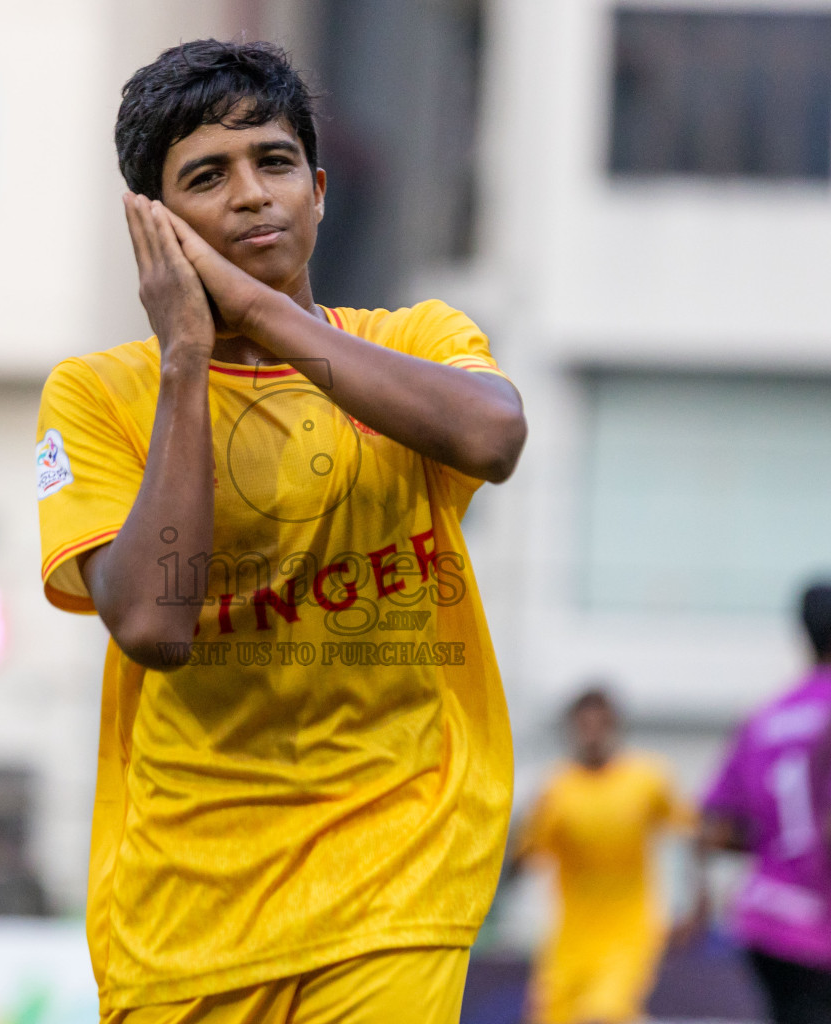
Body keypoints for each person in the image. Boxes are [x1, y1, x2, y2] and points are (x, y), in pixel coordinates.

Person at [35, 39, 526, 1024]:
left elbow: (495, 433)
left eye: (274, 162)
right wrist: (187, 356)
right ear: (154, 226)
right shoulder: (98, 396)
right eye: (208, 176)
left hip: (400, 865)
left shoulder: (416, 342)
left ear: (319, 189)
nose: (253, 194)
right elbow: (153, 626)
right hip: (184, 916)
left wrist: (260, 310)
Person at [693, 582, 831, 1024]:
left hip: (762, 917)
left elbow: (715, 833)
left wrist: (773, 843)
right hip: (821, 925)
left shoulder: (761, 721)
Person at [507, 688, 694, 1024]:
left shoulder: (646, 780)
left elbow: (688, 835)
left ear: (615, 728)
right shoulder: (556, 791)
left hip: (629, 930)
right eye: (584, 725)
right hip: (570, 938)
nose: (592, 734)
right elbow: (524, 861)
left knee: (602, 1015)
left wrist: (692, 905)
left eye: (600, 725)